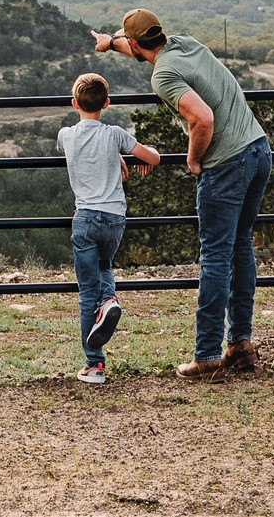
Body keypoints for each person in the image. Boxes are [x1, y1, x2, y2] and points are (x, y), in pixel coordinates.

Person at [91, 9, 272, 377]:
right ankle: (241, 344)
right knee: (241, 246)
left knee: (216, 255)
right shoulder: (184, 43)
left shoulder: (164, 75)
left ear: (139, 44)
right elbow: (138, 46)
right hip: (258, 149)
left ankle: (206, 355)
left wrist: (193, 159)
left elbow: (202, 119)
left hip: (225, 163)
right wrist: (110, 44)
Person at [57, 70, 160, 384]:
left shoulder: (66, 134)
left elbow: (78, 151)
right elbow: (152, 158)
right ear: (108, 103)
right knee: (105, 265)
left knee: (87, 292)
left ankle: (95, 365)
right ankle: (110, 301)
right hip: (115, 218)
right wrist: (117, 152)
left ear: (75, 102)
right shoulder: (115, 134)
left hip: (85, 218)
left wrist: (110, 155)